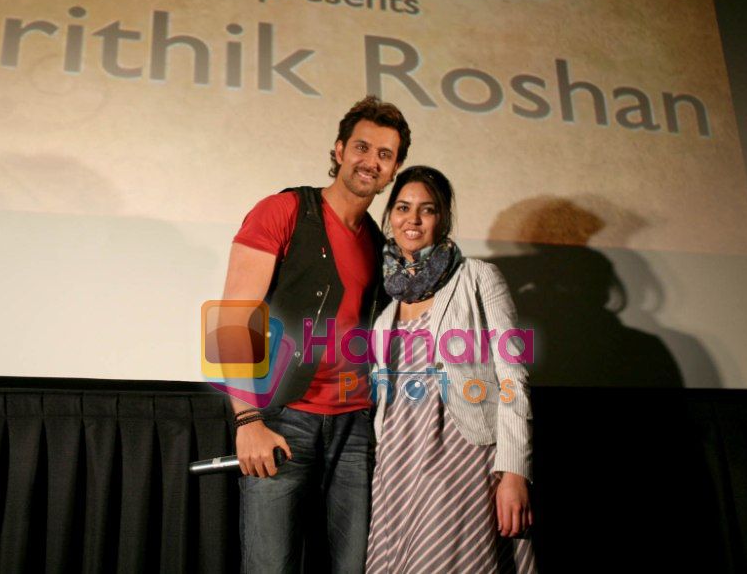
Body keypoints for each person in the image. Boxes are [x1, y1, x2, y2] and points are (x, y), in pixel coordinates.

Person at [216, 96, 411, 573]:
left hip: (356, 430)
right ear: (340, 149)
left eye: (385, 155)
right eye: (362, 147)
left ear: (394, 169)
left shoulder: (381, 246)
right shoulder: (283, 210)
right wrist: (247, 421)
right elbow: (232, 319)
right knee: (270, 566)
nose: (371, 162)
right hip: (282, 421)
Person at [366, 166, 536, 573]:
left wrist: (514, 471)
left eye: (427, 210)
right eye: (404, 207)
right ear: (390, 216)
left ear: (442, 218)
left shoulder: (477, 278)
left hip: (459, 460)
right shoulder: (384, 312)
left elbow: (514, 376)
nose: (413, 219)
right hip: (396, 467)